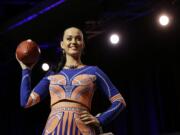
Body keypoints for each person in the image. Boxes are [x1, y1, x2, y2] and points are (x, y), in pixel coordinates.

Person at [16, 27, 126, 135]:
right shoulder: (52, 74)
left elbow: (119, 101)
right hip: (53, 130)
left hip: (82, 129)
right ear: (62, 45)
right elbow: (26, 102)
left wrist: (101, 120)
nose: (73, 42)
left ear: (83, 44)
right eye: (69, 38)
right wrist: (26, 70)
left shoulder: (94, 71)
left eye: (78, 38)